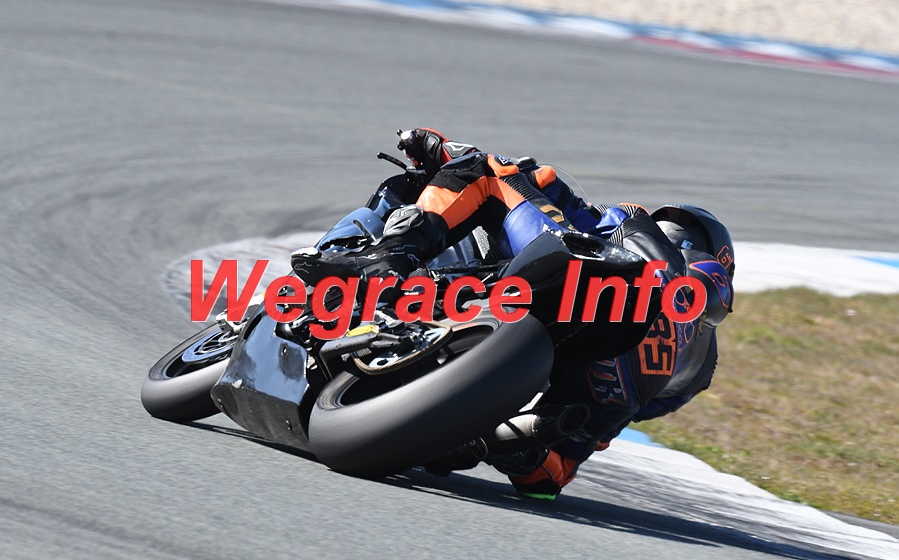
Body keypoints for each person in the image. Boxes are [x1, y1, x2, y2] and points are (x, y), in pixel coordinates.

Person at [292, 128, 735, 500]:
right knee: (544, 476)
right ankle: (498, 440)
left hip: (579, 285)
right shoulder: (695, 370)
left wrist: (445, 151)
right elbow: (579, 455)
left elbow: (540, 182)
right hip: (590, 400)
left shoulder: (633, 227)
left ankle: (384, 260)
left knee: (487, 171)